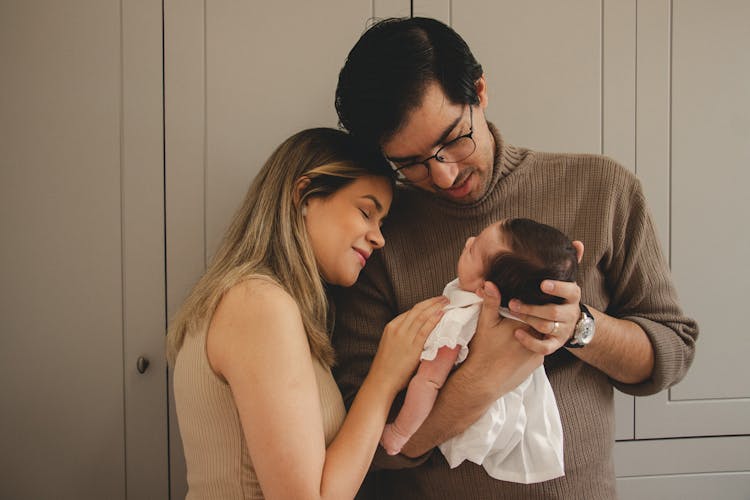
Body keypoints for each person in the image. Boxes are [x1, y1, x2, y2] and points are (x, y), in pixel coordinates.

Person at [331, 17, 698, 498]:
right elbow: (363, 445)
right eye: (411, 163)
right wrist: (480, 381)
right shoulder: (377, 237)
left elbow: (671, 354)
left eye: (452, 140)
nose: (443, 176)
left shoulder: (601, 189)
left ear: (479, 92)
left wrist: (579, 328)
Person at [166, 127, 449, 499]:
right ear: (304, 195)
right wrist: (383, 379)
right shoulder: (258, 305)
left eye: (381, 223)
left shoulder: (258, 301)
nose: (379, 237)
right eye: (366, 212)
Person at [382, 218, 578, 485]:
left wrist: (400, 432)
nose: (468, 241)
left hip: (481, 418)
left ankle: (399, 432)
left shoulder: (461, 319)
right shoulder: (523, 315)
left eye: (473, 251)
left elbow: (430, 381)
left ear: (485, 288)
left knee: (427, 379)